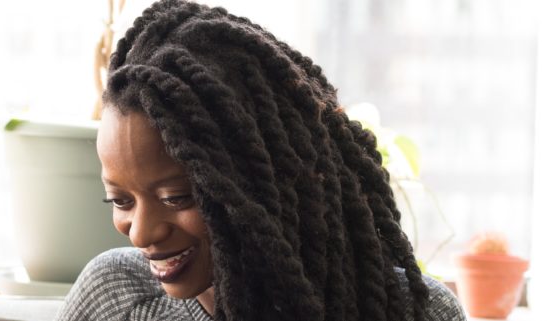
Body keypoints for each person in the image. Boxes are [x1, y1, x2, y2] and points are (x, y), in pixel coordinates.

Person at [55, 0, 467, 320]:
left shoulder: (416, 312)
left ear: (257, 182)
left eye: (176, 197)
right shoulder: (114, 296)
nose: (141, 233)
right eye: (121, 200)